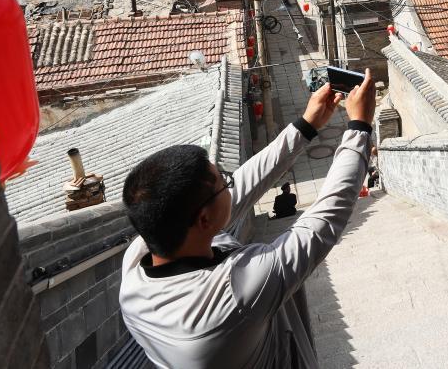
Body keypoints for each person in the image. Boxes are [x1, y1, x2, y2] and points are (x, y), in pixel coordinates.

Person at [119, 69, 376, 369]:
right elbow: (323, 221)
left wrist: (306, 126)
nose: (232, 184)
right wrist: (359, 127)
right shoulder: (237, 292)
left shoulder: (138, 263)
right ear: (203, 220)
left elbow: (245, 185)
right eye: (224, 182)